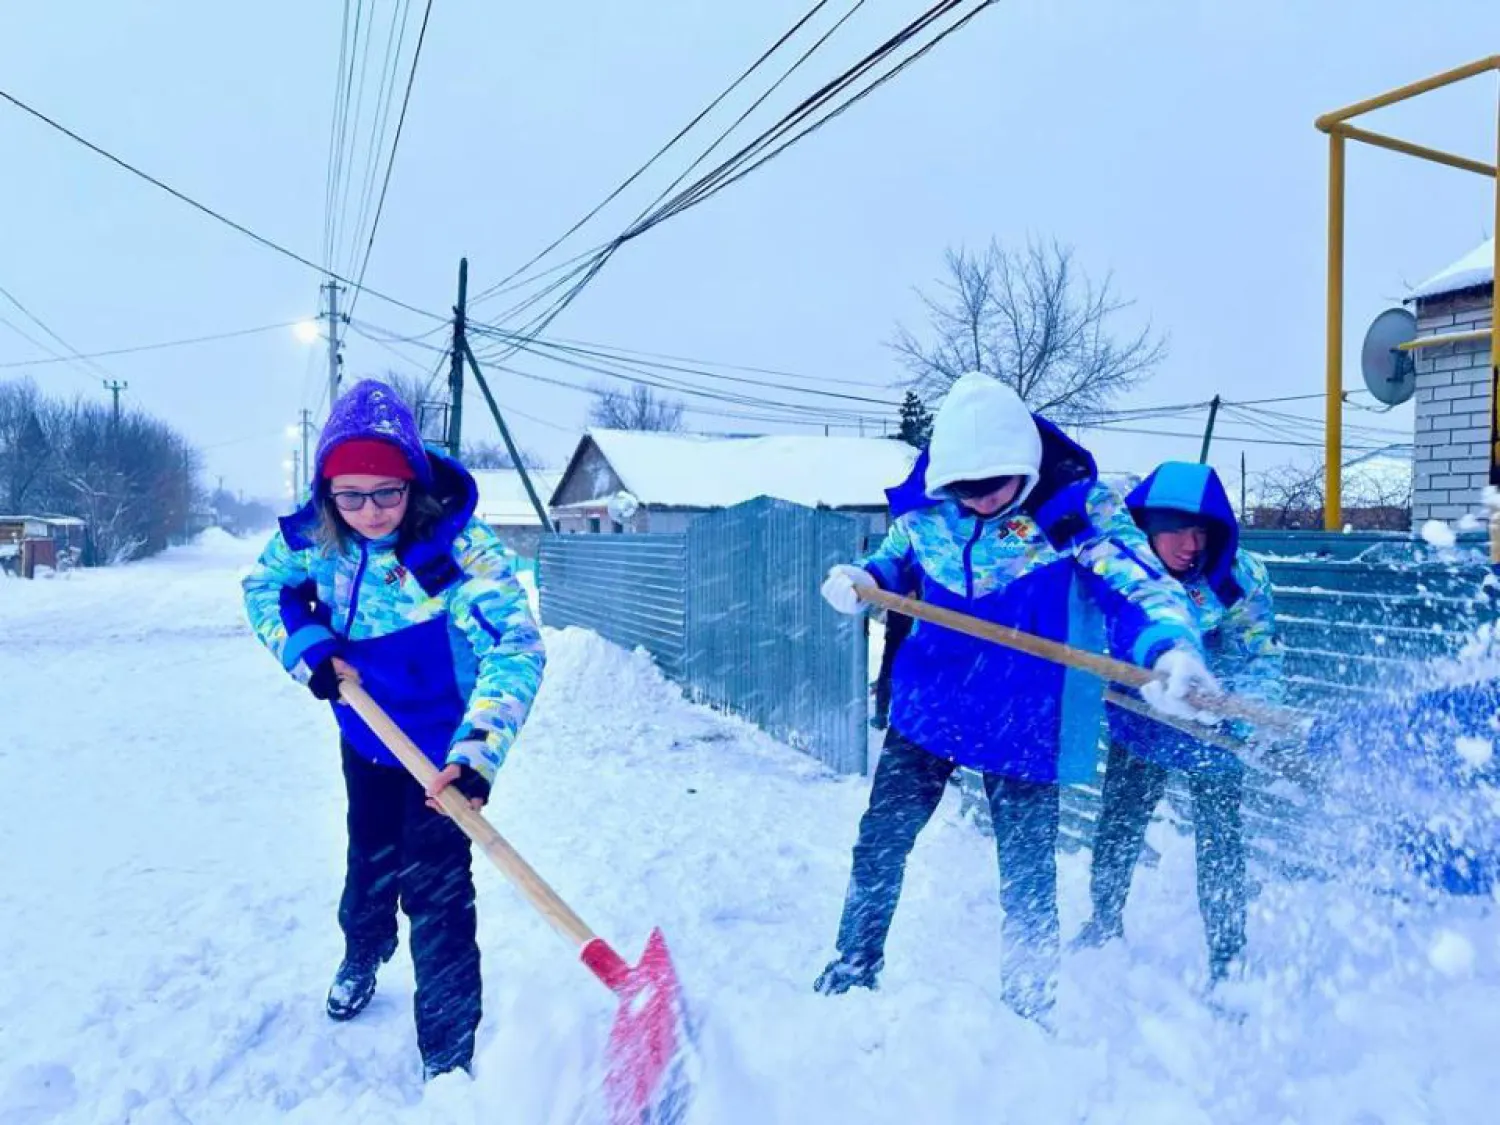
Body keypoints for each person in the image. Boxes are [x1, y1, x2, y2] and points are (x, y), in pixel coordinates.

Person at [815, 372, 1213, 1021]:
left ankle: (1027, 1010)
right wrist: (866, 577)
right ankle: (852, 964)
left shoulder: (1077, 513)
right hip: (932, 702)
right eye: (962, 490)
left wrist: (1169, 649)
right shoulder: (927, 507)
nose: (975, 502)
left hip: (1025, 716)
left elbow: (1142, 585)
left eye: (992, 486)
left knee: (1028, 878)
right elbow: (896, 559)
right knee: (881, 839)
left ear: (1025, 465)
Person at [242, 379, 546, 1080]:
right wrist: (307, 645)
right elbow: (264, 588)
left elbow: (516, 646)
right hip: (366, 738)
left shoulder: (455, 549)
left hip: (443, 756)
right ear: (327, 494)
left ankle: (448, 1052)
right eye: (351, 495)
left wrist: (477, 755)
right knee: (369, 863)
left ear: (413, 483)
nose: (371, 511)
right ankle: (363, 948)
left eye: (387, 492)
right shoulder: (314, 538)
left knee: (438, 895)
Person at [1075, 461, 1282, 986]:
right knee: (1119, 826)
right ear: (1146, 527)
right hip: (1139, 719)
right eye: (1176, 531)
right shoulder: (1122, 568)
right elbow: (1092, 631)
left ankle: (1228, 957)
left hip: (1213, 730)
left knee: (1219, 845)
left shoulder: (1238, 578)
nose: (1191, 545)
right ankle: (1103, 921)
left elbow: (1259, 656)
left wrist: (1239, 714)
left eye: (1201, 532)